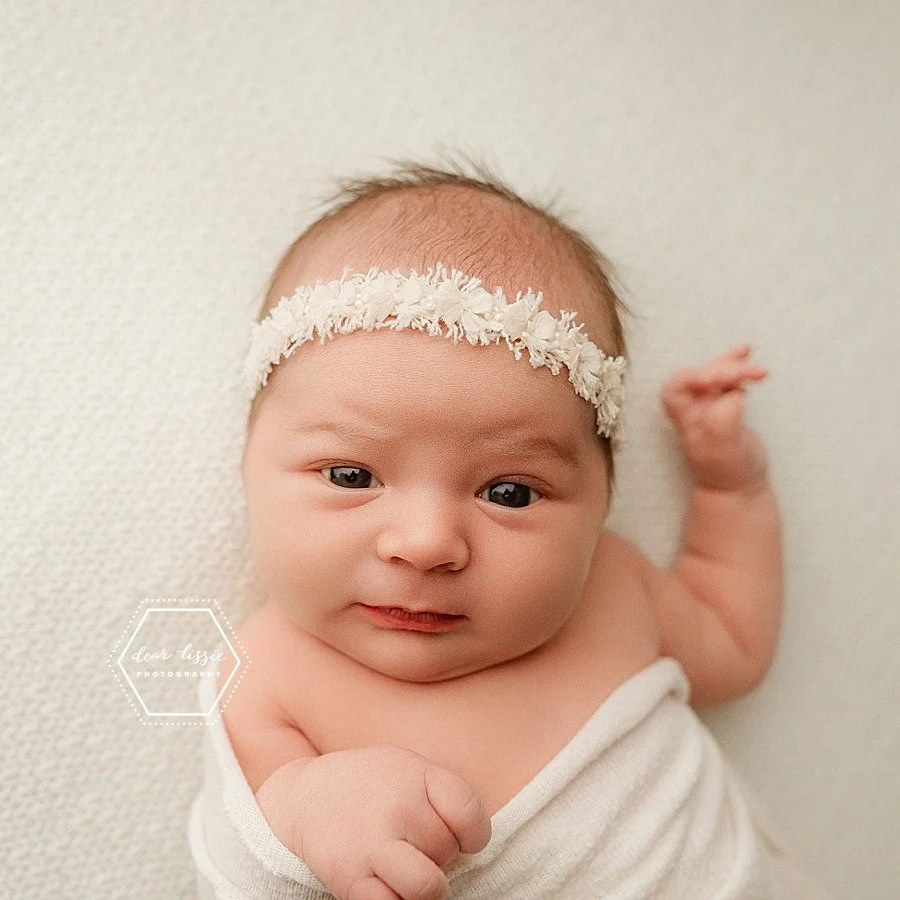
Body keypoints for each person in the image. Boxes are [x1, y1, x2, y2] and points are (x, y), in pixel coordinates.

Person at [188, 158, 826, 899]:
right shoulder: (267, 676)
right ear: (247, 468)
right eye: (351, 476)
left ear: (600, 505)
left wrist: (730, 487)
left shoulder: (614, 590)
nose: (426, 543)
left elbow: (735, 641)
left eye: (511, 491)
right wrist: (307, 811)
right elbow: (241, 856)